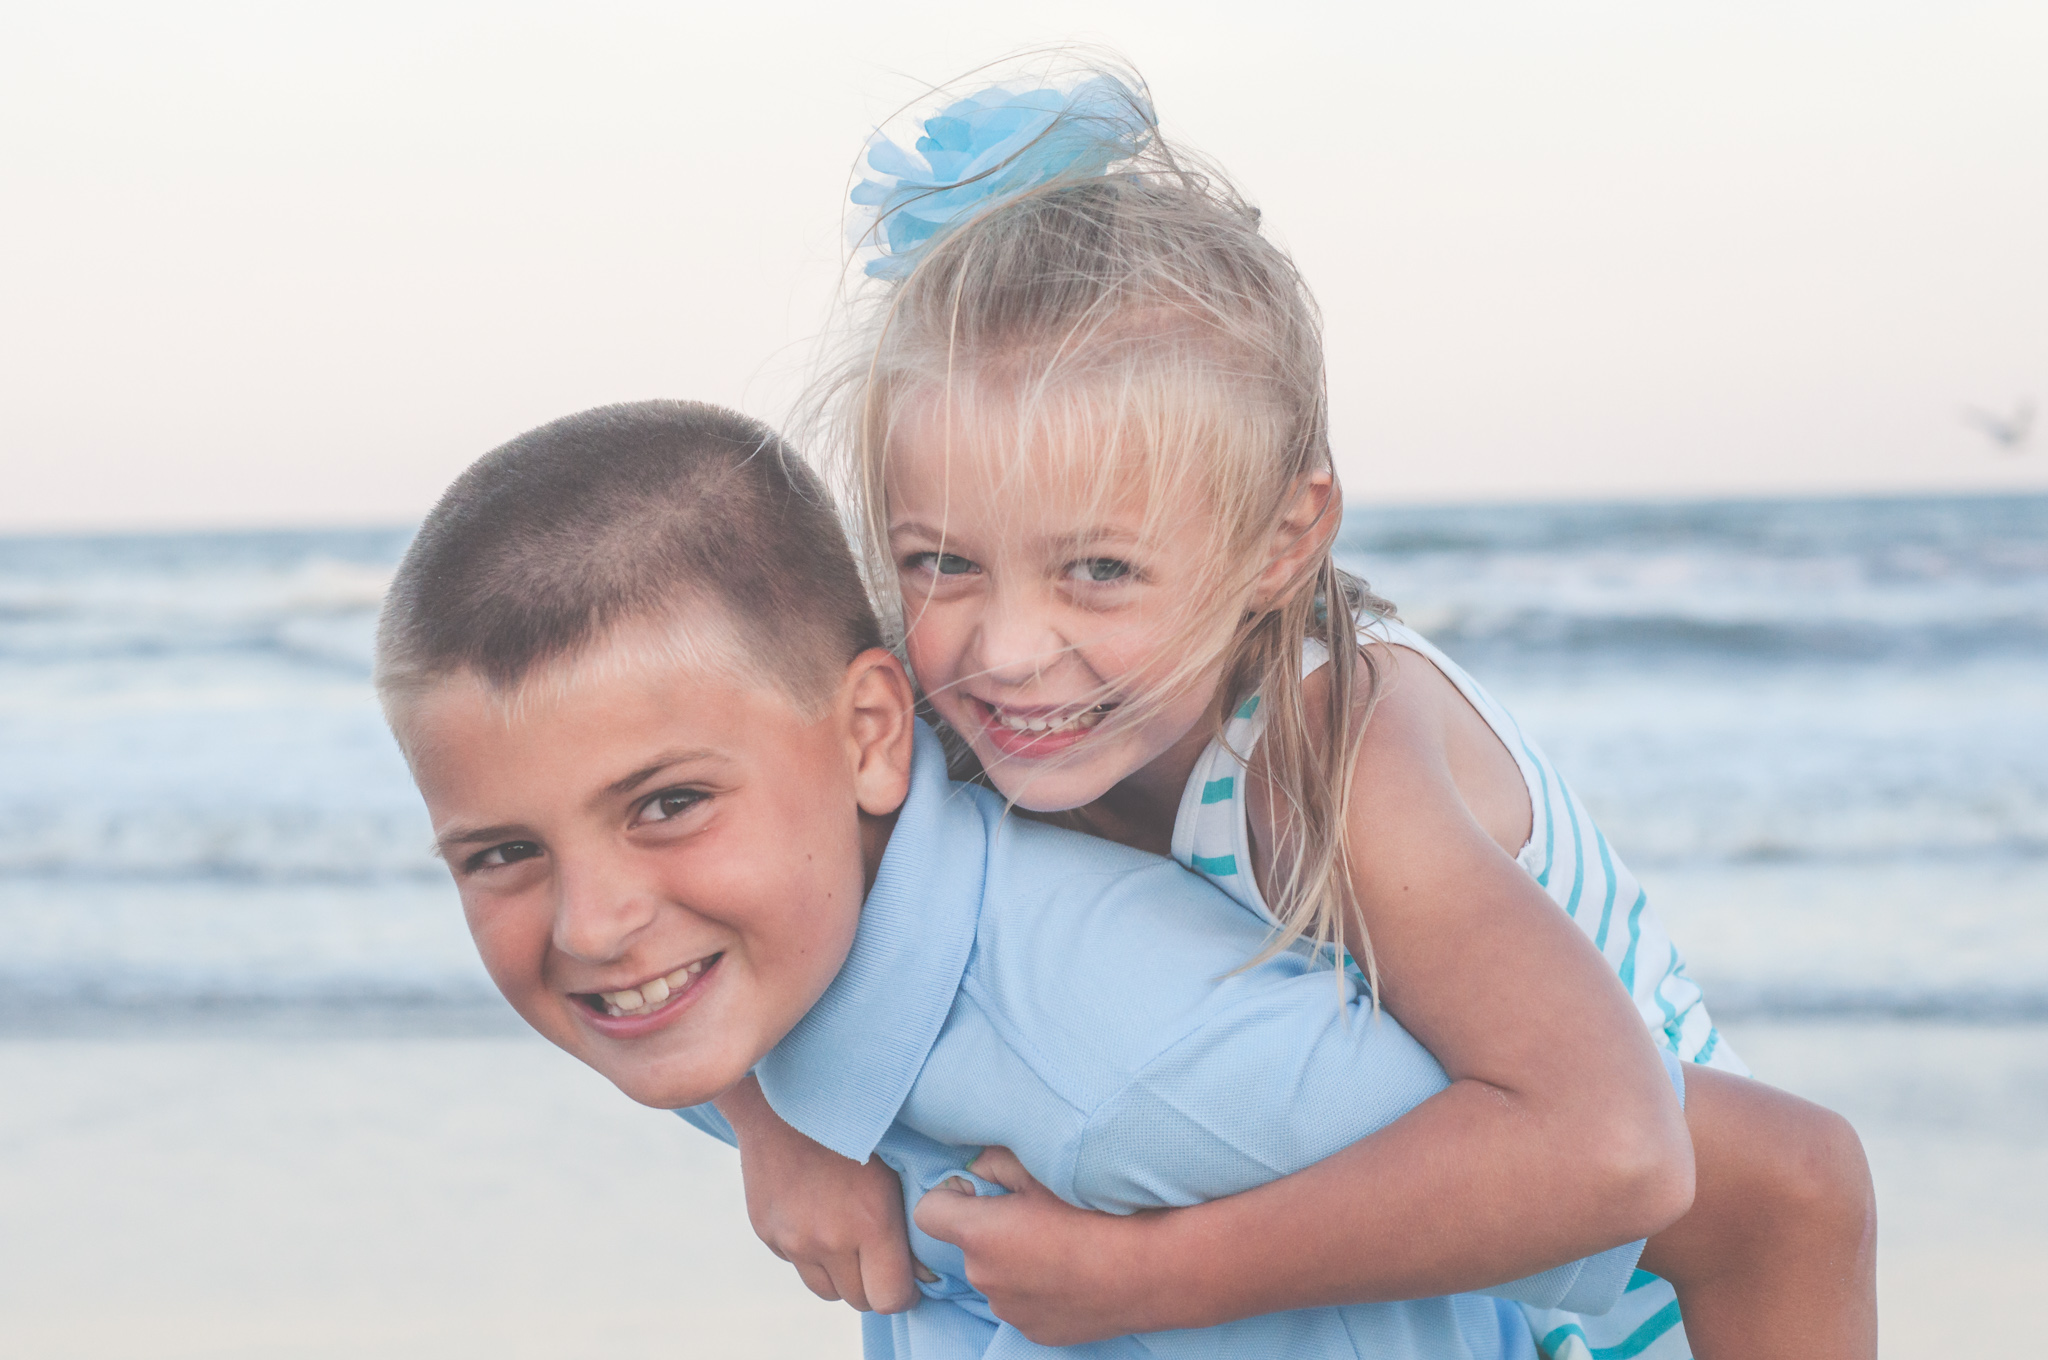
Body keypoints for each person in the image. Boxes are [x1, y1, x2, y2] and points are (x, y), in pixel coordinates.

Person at [730, 61, 1877, 1359]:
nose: (1007, 648)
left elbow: (1622, 1151)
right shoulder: (939, 710)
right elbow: (664, 843)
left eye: (1098, 570)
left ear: (1282, 542)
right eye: (940, 560)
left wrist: (1150, 1277)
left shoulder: (1328, 753)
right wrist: (782, 1134)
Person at [375, 399, 1683, 1359]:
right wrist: (777, 1127)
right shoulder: (728, 970)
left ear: (874, 737)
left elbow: (1756, 1184)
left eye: (667, 806)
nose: (591, 925)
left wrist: (1161, 1275)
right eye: (503, 855)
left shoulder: (1146, 1058)